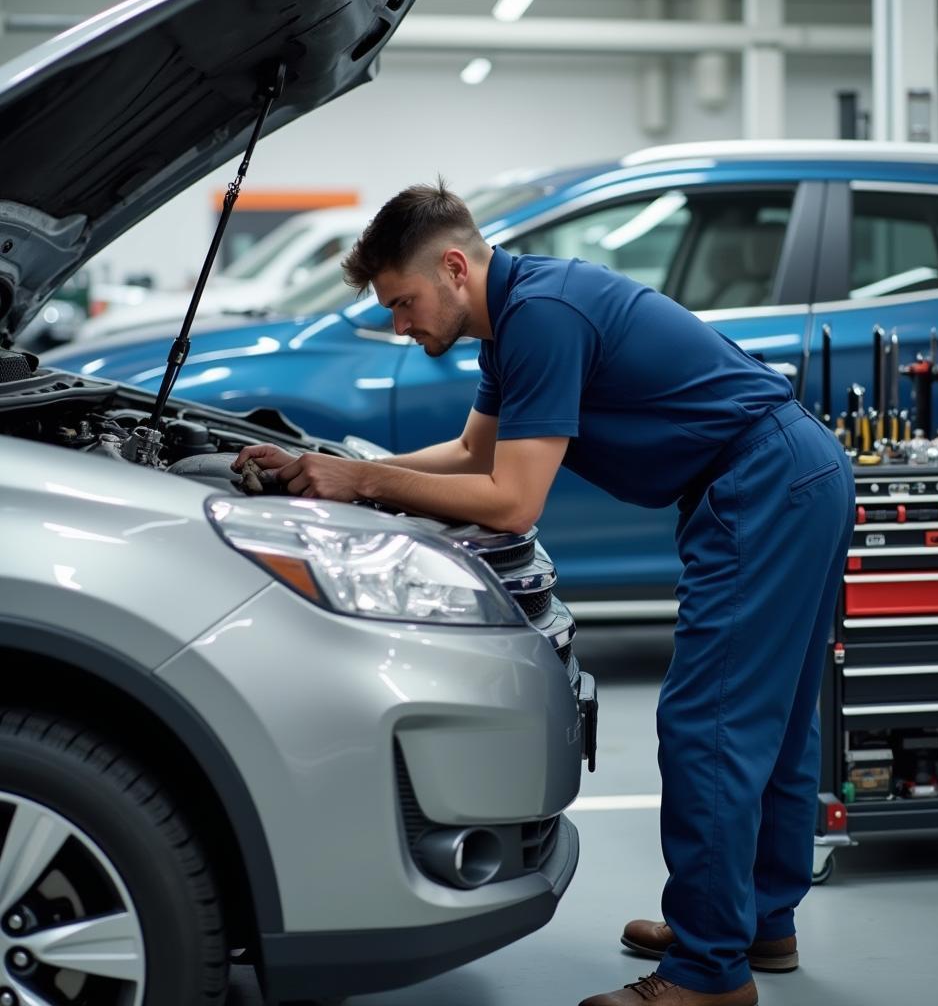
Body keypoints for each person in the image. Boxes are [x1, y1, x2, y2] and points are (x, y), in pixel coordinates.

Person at [233, 182, 855, 1006]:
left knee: (711, 724)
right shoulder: (518, 318)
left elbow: (512, 500)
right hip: (795, 472)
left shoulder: (543, 319)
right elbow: (469, 451)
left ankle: (709, 973)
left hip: (765, 483)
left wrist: (361, 481)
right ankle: (752, 924)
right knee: (767, 722)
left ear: (454, 267)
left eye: (404, 302)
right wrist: (334, 469)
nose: (400, 324)